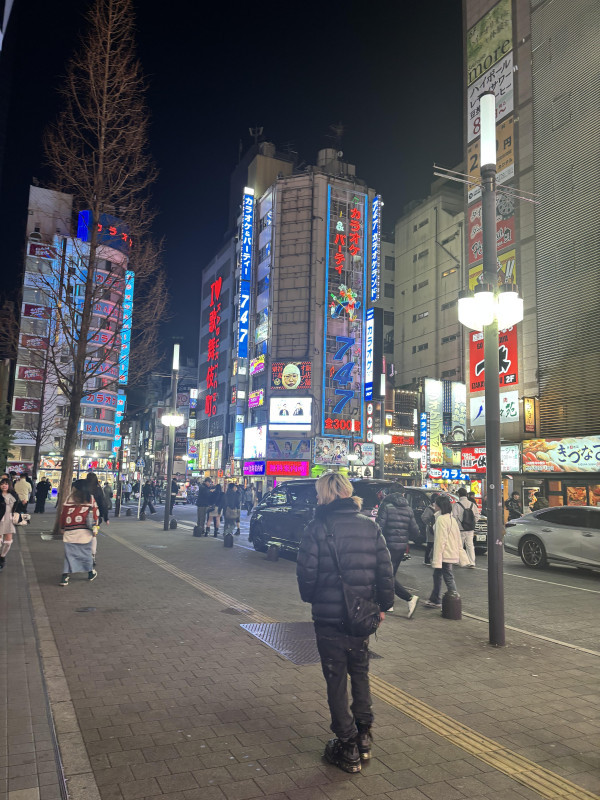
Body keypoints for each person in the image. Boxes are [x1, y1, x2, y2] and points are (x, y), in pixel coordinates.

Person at [296, 473, 394, 773]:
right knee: (361, 672)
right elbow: (385, 569)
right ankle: (364, 735)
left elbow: (306, 577)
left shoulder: (317, 527)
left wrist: (316, 598)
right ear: (348, 493)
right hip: (361, 615)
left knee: (335, 677)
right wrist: (383, 606)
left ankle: (347, 743)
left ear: (324, 494)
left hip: (328, 617)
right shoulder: (370, 525)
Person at [376, 490, 420, 618]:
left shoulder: (386, 506)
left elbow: (379, 527)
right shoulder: (408, 508)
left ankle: (409, 598)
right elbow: (416, 531)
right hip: (401, 548)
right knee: (391, 574)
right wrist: (405, 537)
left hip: (387, 546)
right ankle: (388, 604)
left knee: (386, 575)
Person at [424, 495, 461, 609]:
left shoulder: (440, 519)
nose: (434, 505)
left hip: (444, 552)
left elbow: (440, 540)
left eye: (435, 504)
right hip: (450, 551)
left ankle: (454, 600)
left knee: (447, 576)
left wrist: (437, 558)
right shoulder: (451, 518)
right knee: (439, 575)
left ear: (439, 506)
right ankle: (435, 598)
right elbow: (457, 537)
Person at [59, 485, 99, 586]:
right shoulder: (90, 499)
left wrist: (62, 527)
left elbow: (63, 515)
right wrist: (95, 528)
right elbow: (95, 515)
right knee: (86, 554)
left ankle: (65, 577)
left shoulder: (69, 498)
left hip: (70, 533)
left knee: (69, 556)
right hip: (84, 533)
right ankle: (90, 573)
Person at [452, 487, 479, 568]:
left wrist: (458, 525)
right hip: (470, 529)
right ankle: (472, 562)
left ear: (459, 494)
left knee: (459, 545)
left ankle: (458, 561)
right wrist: (472, 523)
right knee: (470, 545)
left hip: (460, 529)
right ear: (466, 494)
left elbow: (454, 517)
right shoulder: (472, 504)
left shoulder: (456, 505)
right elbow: (477, 516)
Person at [0, 477, 18, 570]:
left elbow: (16, 507)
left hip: (9, 519)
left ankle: (2, 557)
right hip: (0, 519)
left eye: (6, 484)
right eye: (2, 484)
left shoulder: (13, 495)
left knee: (8, 542)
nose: (4, 485)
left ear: (9, 485)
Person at [421, 493, 439, 566]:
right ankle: (434, 559)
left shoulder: (429, 508)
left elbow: (423, 517)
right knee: (436, 544)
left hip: (430, 529)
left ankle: (427, 560)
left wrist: (429, 523)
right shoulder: (440, 507)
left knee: (430, 545)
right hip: (438, 528)